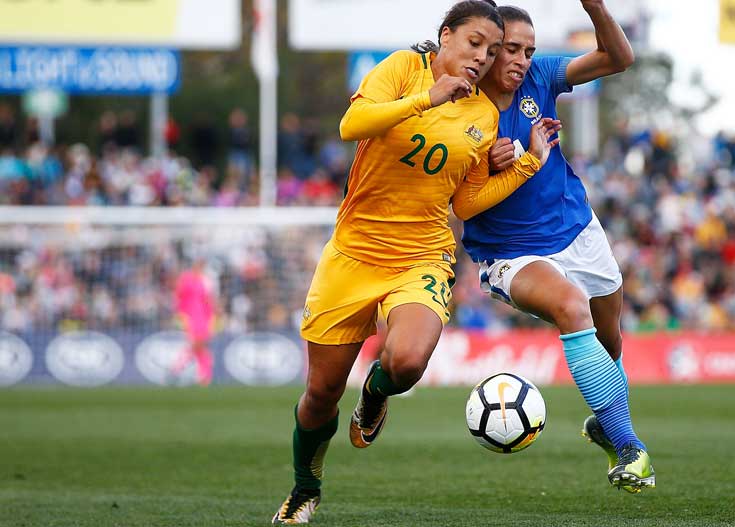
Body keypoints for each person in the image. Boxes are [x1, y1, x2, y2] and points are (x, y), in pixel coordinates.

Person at [272, 2, 561, 523]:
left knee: (404, 362)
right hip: (353, 254)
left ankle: (377, 392)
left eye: (492, 51)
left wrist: (527, 163)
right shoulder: (403, 68)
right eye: (474, 43)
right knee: (319, 395)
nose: (483, 57)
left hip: (422, 254)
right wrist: (428, 98)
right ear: (445, 36)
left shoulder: (483, 114)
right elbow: (352, 124)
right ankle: (304, 488)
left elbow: (466, 202)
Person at [454, 1, 655, 492]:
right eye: (510, 50)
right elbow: (458, 199)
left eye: (529, 50)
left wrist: (595, 8)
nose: (521, 60)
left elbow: (618, 58)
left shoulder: (541, 77)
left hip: (578, 230)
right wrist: (484, 164)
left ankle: (605, 425)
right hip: (510, 254)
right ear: (488, 50)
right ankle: (632, 449)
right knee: (571, 306)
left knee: (611, 346)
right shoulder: (458, 106)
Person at [172, 256, 216, 385]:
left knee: (202, 346)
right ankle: (178, 369)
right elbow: (178, 296)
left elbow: (209, 299)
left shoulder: (206, 280)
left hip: (205, 315)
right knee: (197, 344)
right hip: (190, 315)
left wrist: (214, 313)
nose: (201, 267)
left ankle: (204, 376)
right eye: (199, 264)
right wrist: (179, 314)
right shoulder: (186, 278)